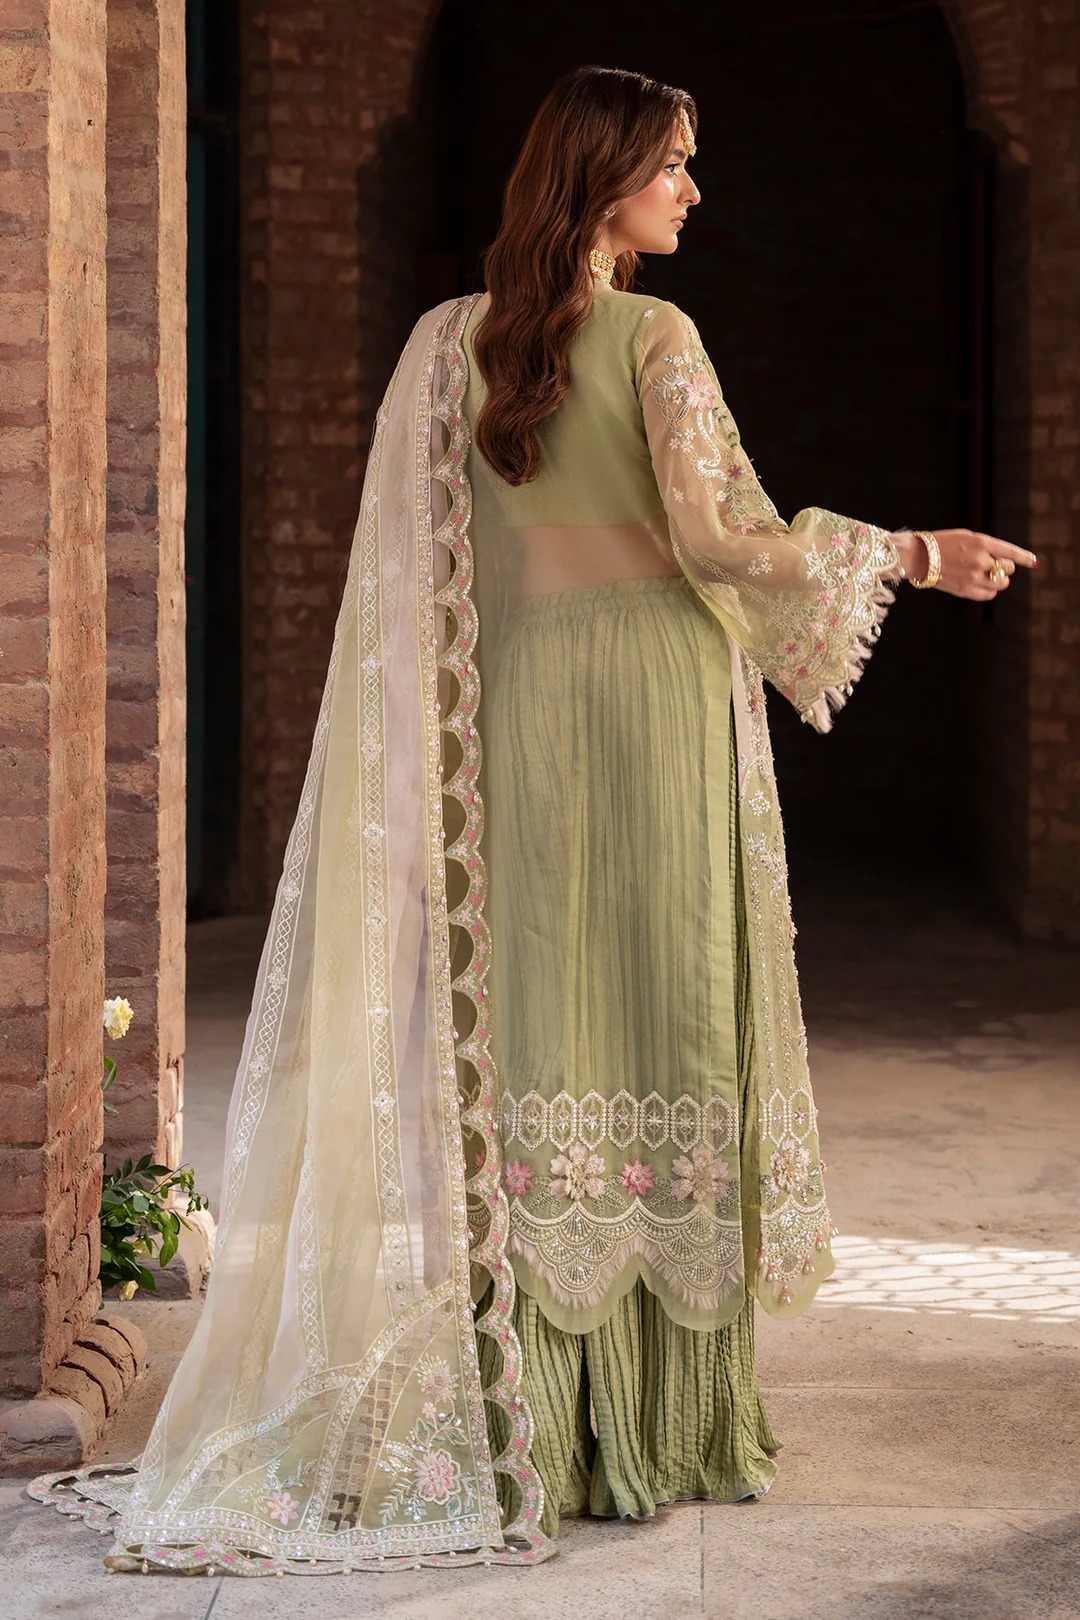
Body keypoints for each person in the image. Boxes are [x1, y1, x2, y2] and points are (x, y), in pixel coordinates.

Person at [27, 65, 1035, 1576]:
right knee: (668, 1010)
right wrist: (908, 551)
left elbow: (423, 578)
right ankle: (660, 1427)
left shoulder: (446, 346)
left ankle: (530, 1417)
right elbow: (716, 540)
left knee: (534, 1021)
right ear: (606, 176)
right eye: (674, 163)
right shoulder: (657, 335)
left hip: (514, 709)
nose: (693, 190)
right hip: (653, 707)